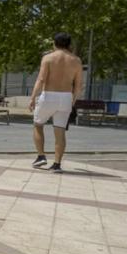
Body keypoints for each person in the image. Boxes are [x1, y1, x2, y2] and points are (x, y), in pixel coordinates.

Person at [29, 32, 83, 172]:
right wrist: (73, 101)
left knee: (38, 124)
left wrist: (33, 98)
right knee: (60, 131)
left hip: (49, 96)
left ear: (54, 43)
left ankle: (41, 156)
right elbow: (78, 85)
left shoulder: (48, 58)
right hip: (66, 97)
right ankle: (57, 164)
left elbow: (41, 80)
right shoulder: (76, 60)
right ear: (69, 44)